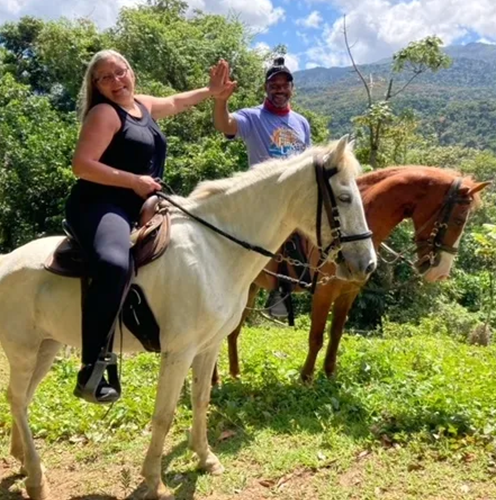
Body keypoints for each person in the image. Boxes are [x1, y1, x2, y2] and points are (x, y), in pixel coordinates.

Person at [66, 50, 229, 404]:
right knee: (113, 263)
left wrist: (210, 92)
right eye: (105, 77)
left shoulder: (141, 105)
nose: (116, 81)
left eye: (120, 72)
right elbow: (82, 165)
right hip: (100, 204)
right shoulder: (104, 113)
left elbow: (174, 101)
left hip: (142, 203)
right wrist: (133, 182)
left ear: (131, 71)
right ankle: (92, 368)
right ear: (96, 86)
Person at [213, 57, 312, 318]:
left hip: (296, 197)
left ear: (292, 88)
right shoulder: (253, 117)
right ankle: (277, 289)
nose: (279, 89)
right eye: (274, 85)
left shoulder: (301, 122)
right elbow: (225, 125)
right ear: (266, 89)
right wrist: (221, 101)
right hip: (263, 198)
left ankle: (320, 282)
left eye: (284, 84)